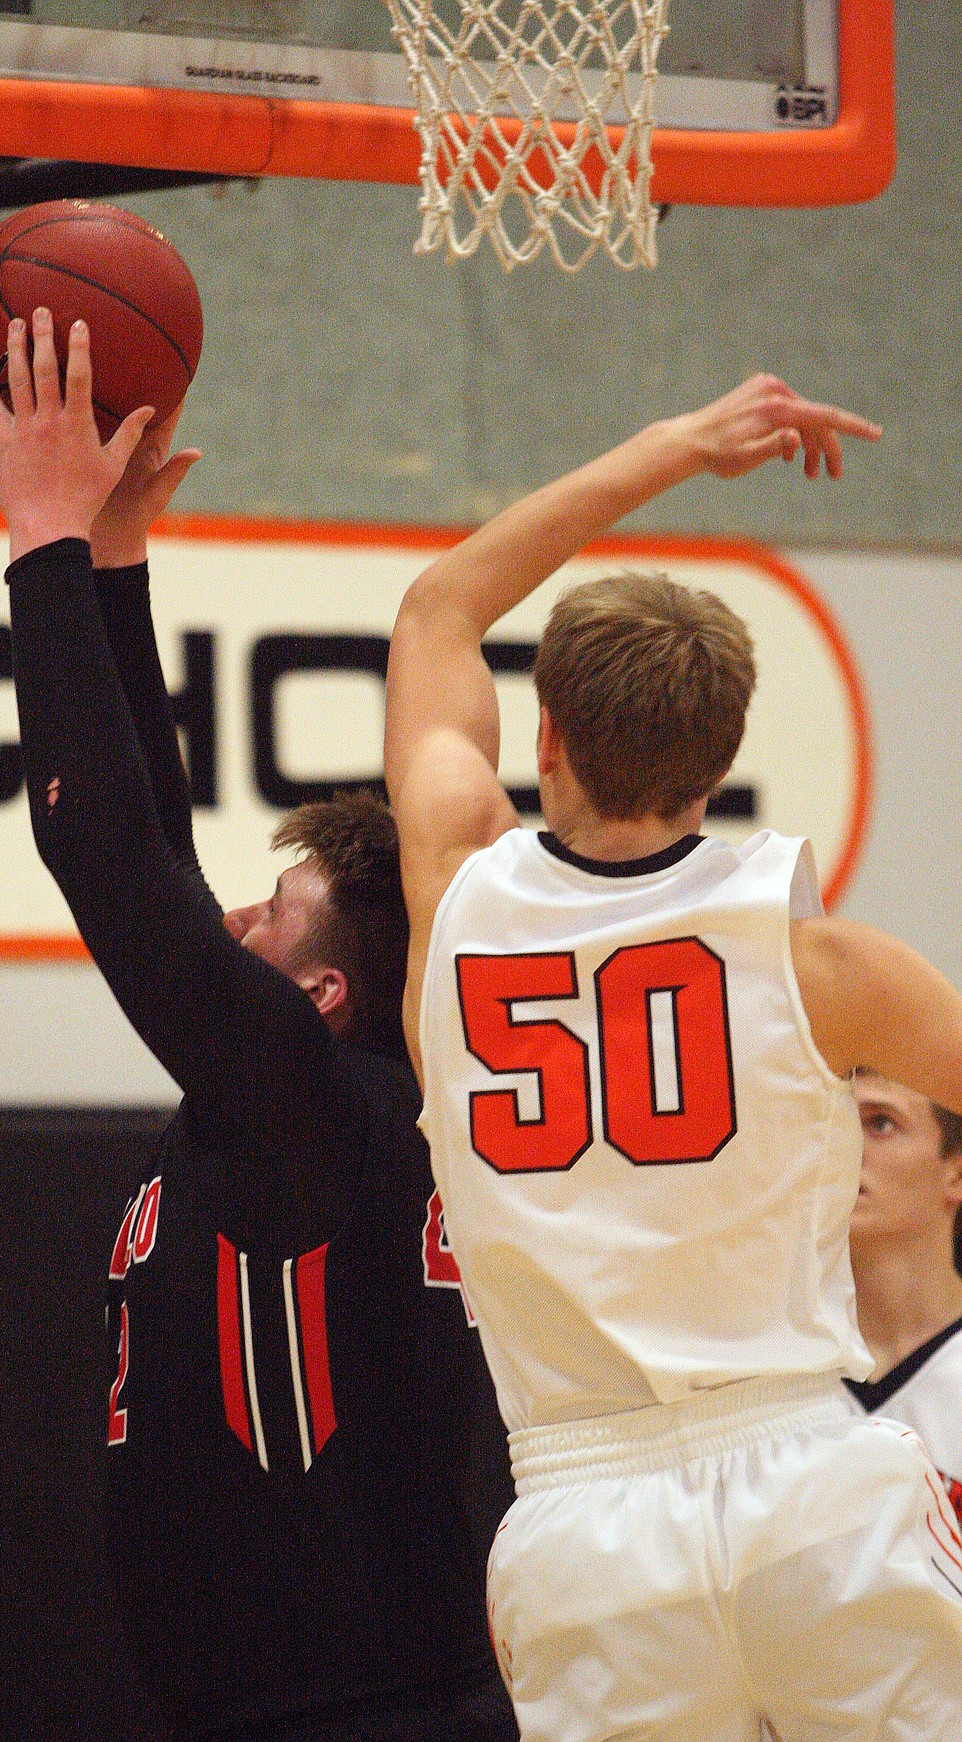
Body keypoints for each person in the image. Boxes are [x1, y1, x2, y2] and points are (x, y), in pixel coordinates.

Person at [382, 373, 962, 1742]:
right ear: (718, 767)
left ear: (547, 734)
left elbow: (437, 608)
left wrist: (677, 447)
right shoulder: (822, 960)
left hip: (585, 1520)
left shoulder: (454, 885)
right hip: (811, 1482)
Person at [0, 310, 517, 1742]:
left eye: (267, 920)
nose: (226, 926)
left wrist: (37, 533)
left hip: (357, 1711)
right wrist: (113, 561)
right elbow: (149, 845)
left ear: (321, 996)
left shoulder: (316, 1107)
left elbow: (103, 854)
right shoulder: (313, 1103)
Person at [846, 1071, 962, 1528]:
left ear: (957, 1171)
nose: (843, 1149)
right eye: (832, 1125)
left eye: (879, 1124)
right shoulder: (760, 1366)